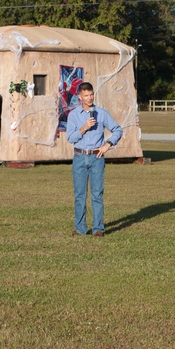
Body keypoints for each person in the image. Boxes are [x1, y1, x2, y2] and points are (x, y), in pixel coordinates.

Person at [66, 81, 123, 237]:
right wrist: (84, 128)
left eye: (91, 95)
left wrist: (107, 144)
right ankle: (80, 229)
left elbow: (118, 130)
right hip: (79, 156)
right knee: (80, 195)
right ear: (80, 97)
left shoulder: (102, 113)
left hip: (96, 158)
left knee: (97, 194)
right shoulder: (73, 115)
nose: (89, 98)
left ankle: (98, 229)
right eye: (86, 95)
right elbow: (70, 137)